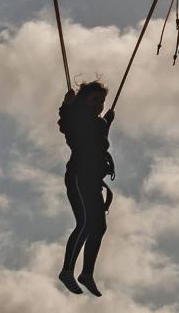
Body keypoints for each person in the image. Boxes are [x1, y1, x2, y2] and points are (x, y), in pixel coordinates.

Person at [57, 81, 115, 297]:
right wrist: (67, 105)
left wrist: (107, 122)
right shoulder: (76, 116)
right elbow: (67, 124)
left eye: (101, 101)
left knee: (98, 226)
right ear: (83, 101)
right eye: (95, 100)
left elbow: (98, 139)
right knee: (85, 222)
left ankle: (87, 273)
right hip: (79, 177)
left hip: (91, 179)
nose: (99, 105)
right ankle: (67, 270)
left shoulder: (96, 123)